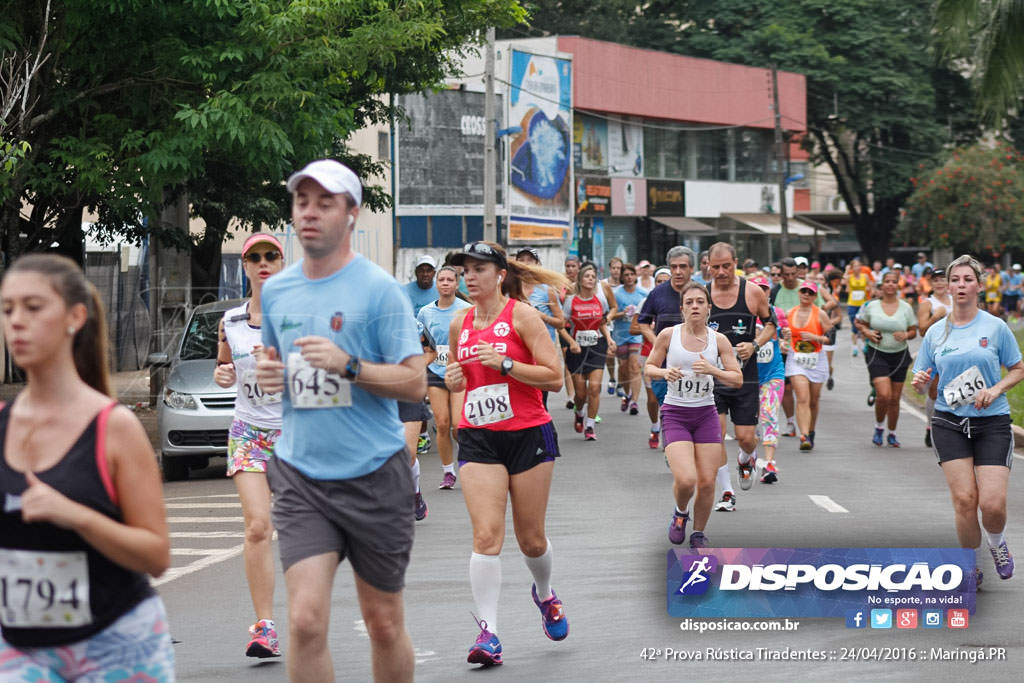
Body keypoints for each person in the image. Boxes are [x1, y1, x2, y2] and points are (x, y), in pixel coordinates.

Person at [256, 159, 422, 682]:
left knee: (383, 623)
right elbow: (280, 371)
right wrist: (271, 375)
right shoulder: (278, 290)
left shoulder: (379, 291)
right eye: (302, 202)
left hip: (374, 474)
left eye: (324, 203)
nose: (309, 213)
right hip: (302, 476)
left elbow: (415, 382)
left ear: (351, 214)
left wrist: (348, 365)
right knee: (305, 621)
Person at [0, 254, 173, 680]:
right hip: (19, 648)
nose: (16, 321)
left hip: (116, 642)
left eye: (33, 307)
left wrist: (75, 515)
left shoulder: (113, 427)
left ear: (75, 317)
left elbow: (156, 555)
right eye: (7, 309)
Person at [444, 241, 570, 667]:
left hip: (527, 433)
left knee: (531, 540)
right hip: (479, 438)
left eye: (479, 269)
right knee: (485, 537)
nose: (470, 277)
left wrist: (506, 365)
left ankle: (546, 594)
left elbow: (554, 378)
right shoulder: (459, 323)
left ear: (500, 274)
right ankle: (489, 633)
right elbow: (460, 383)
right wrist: (456, 384)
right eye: (466, 270)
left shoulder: (522, 315)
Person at [912, 255, 1024, 587]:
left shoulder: (996, 327)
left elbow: (1018, 368)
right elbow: (926, 375)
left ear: (979, 285)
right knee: (964, 500)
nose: (960, 285)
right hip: (949, 422)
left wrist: (996, 388)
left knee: (992, 503)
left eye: (967, 279)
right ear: (947, 286)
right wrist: (921, 380)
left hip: (992, 422)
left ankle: (996, 543)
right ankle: (968, 565)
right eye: (955, 280)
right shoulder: (935, 333)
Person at [214, 232, 286, 658]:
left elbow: (323, 381)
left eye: (270, 256)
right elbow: (224, 369)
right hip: (249, 432)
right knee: (259, 526)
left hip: (296, 435)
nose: (262, 263)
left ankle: (308, 613)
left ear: (281, 263)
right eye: (254, 257)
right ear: (244, 267)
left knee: (302, 531)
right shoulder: (231, 322)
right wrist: (223, 376)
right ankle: (265, 626)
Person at [646, 282, 742, 549]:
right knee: (686, 479)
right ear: (682, 308)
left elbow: (736, 378)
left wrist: (714, 371)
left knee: (708, 482)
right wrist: (665, 373)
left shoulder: (718, 340)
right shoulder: (668, 335)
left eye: (700, 301)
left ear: (709, 308)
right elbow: (649, 367)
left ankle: (698, 532)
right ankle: (680, 512)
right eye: (690, 302)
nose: (695, 306)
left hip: (706, 414)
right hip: (676, 413)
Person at [707, 243, 777, 510]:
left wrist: (755, 344)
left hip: (745, 378)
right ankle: (726, 492)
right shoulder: (702, 294)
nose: (722, 272)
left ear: (735, 262)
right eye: (716, 267)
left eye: (727, 266)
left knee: (746, 437)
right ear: (708, 266)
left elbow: (771, 324)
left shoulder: (752, 292)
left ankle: (746, 458)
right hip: (713, 380)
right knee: (716, 435)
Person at [417, 266, 472, 490]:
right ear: (436, 284)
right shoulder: (426, 312)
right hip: (436, 373)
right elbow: (421, 342)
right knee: (442, 424)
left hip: (459, 371)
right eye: (442, 280)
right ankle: (448, 472)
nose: (446, 283)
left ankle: (471, 463)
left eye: (450, 279)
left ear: (456, 283)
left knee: (458, 427)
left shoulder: (468, 310)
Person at [637, 246, 697, 449]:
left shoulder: (700, 293)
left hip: (695, 365)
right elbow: (642, 323)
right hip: (665, 365)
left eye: (683, 267)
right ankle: (672, 446)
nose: (678, 271)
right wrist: (658, 344)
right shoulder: (657, 294)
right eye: (674, 267)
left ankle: (683, 444)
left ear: (692, 268)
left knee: (693, 409)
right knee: (668, 407)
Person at [854, 270, 918, 448]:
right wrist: (867, 332)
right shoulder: (872, 306)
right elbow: (861, 324)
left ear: (898, 285)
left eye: (893, 281)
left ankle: (892, 433)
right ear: (882, 285)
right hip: (877, 353)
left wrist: (905, 334)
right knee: (884, 395)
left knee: (895, 398)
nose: (890, 284)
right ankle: (879, 427)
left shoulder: (905, 307)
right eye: (887, 281)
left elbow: (914, 331)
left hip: (899, 355)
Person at [561, 263, 617, 441]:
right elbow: (561, 326)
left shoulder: (599, 300)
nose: (591, 279)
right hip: (577, 349)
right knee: (580, 393)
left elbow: (602, 322)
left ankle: (590, 426)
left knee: (594, 388)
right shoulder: (571, 300)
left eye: (593, 277)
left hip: (596, 346)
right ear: (580, 279)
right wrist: (571, 342)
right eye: (587, 276)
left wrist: (608, 339)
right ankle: (579, 412)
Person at [785, 280, 833, 451]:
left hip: (816, 359)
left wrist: (816, 337)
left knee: (814, 400)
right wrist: (784, 341)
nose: (806, 295)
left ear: (815, 296)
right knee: (803, 398)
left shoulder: (820, 314)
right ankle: (803, 435)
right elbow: (783, 335)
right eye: (803, 291)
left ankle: (811, 431)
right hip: (796, 360)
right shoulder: (790, 313)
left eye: (810, 293)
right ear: (799, 293)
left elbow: (830, 338)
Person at [515, 247, 565, 410]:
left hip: (541, 353)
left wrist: (539, 315)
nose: (525, 264)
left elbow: (561, 322)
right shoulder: (509, 290)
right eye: (521, 260)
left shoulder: (547, 290)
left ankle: (545, 434)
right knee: (520, 401)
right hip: (517, 352)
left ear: (538, 264)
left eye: (530, 260)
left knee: (540, 403)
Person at [750, 275, 788, 482]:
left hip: (772, 374)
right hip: (747, 377)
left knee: (769, 415)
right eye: (756, 288)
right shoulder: (742, 314)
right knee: (748, 424)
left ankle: (770, 463)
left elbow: (784, 338)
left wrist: (784, 343)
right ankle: (748, 458)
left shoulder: (777, 313)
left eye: (764, 289)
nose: (761, 292)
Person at [917, 268, 951, 447]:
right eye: (935, 280)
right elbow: (922, 330)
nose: (939, 283)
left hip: (957, 351)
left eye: (942, 279)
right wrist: (934, 318)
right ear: (931, 284)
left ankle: (952, 426)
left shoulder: (956, 301)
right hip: (935, 352)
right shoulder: (927, 304)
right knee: (935, 390)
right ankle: (930, 426)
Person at [610, 263, 647, 415]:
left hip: (636, 336)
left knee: (635, 367)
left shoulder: (643, 293)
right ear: (622, 277)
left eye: (632, 274)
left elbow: (649, 313)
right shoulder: (616, 294)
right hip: (620, 335)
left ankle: (634, 402)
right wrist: (622, 313)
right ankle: (627, 393)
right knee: (624, 369)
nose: (629, 277)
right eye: (626, 275)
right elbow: (611, 314)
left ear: (635, 276)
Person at [844, 257, 872, 356]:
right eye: (855, 266)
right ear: (852, 267)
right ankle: (855, 347)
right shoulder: (849, 277)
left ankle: (864, 344)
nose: (857, 268)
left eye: (858, 265)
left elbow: (870, 286)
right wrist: (847, 271)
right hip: (852, 303)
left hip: (862, 304)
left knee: (863, 325)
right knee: (854, 326)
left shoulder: (865, 276)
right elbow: (846, 287)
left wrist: (868, 289)